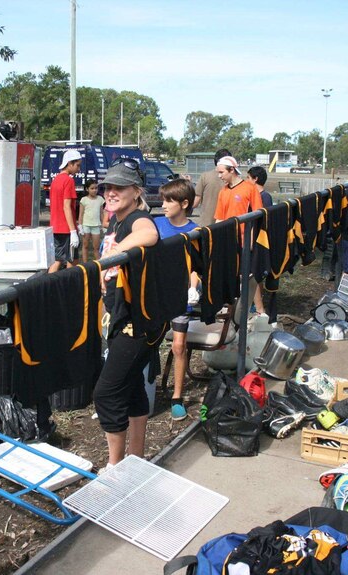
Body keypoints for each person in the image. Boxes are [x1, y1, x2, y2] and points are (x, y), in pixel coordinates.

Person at [94, 161, 160, 467]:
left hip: (137, 324)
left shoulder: (137, 218)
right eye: (108, 187)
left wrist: (114, 253)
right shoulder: (115, 221)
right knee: (132, 387)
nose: (110, 192)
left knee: (106, 394)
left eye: (119, 187)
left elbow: (149, 235)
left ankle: (115, 468)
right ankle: (136, 461)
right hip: (120, 315)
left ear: (136, 192)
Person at [153, 179, 200, 421]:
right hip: (155, 294)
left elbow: (196, 267)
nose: (163, 205)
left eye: (168, 200)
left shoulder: (194, 231)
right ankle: (147, 390)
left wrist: (194, 288)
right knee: (148, 343)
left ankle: (177, 397)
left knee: (179, 346)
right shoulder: (155, 224)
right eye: (162, 200)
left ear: (184, 203)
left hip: (180, 296)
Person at [214, 155, 266, 315]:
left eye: (221, 172)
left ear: (231, 170)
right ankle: (231, 310)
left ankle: (259, 310)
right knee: (230, 275)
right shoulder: (223, 191)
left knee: (250, 276)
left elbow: (258, 215)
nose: (219, 176)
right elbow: (220, 218)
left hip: (245, 242)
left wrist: (250, 239)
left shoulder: (249, 188)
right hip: (229, 241)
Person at [50, 149, 82, 264]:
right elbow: (67, 207)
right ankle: (69, 282)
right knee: (71, 260)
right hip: (66, 228)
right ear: (70, 163)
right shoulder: (68, 181)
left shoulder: (55, 180)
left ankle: (51, 282)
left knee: (59, 260)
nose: (79, 169)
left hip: (56, 227)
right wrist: (73, 231)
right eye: (77, 165)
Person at [195, 148, 231, 227]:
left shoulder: (205, 176)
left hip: (207, 224)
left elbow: (196, 200)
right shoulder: (233, 179)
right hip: (227, 224)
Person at [78, 179, 104, 262]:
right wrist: (80, 226)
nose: (94, 190)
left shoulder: (100, 199)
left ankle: (99, 265)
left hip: (96, 226)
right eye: (92, 188)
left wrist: (103, 225)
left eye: (96, 188)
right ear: (87, 189)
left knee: (96, 247)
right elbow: (81, 214)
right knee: (85, 245)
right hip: (86, 225)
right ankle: (85, 265)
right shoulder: (84, 200)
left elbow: (102, 213)